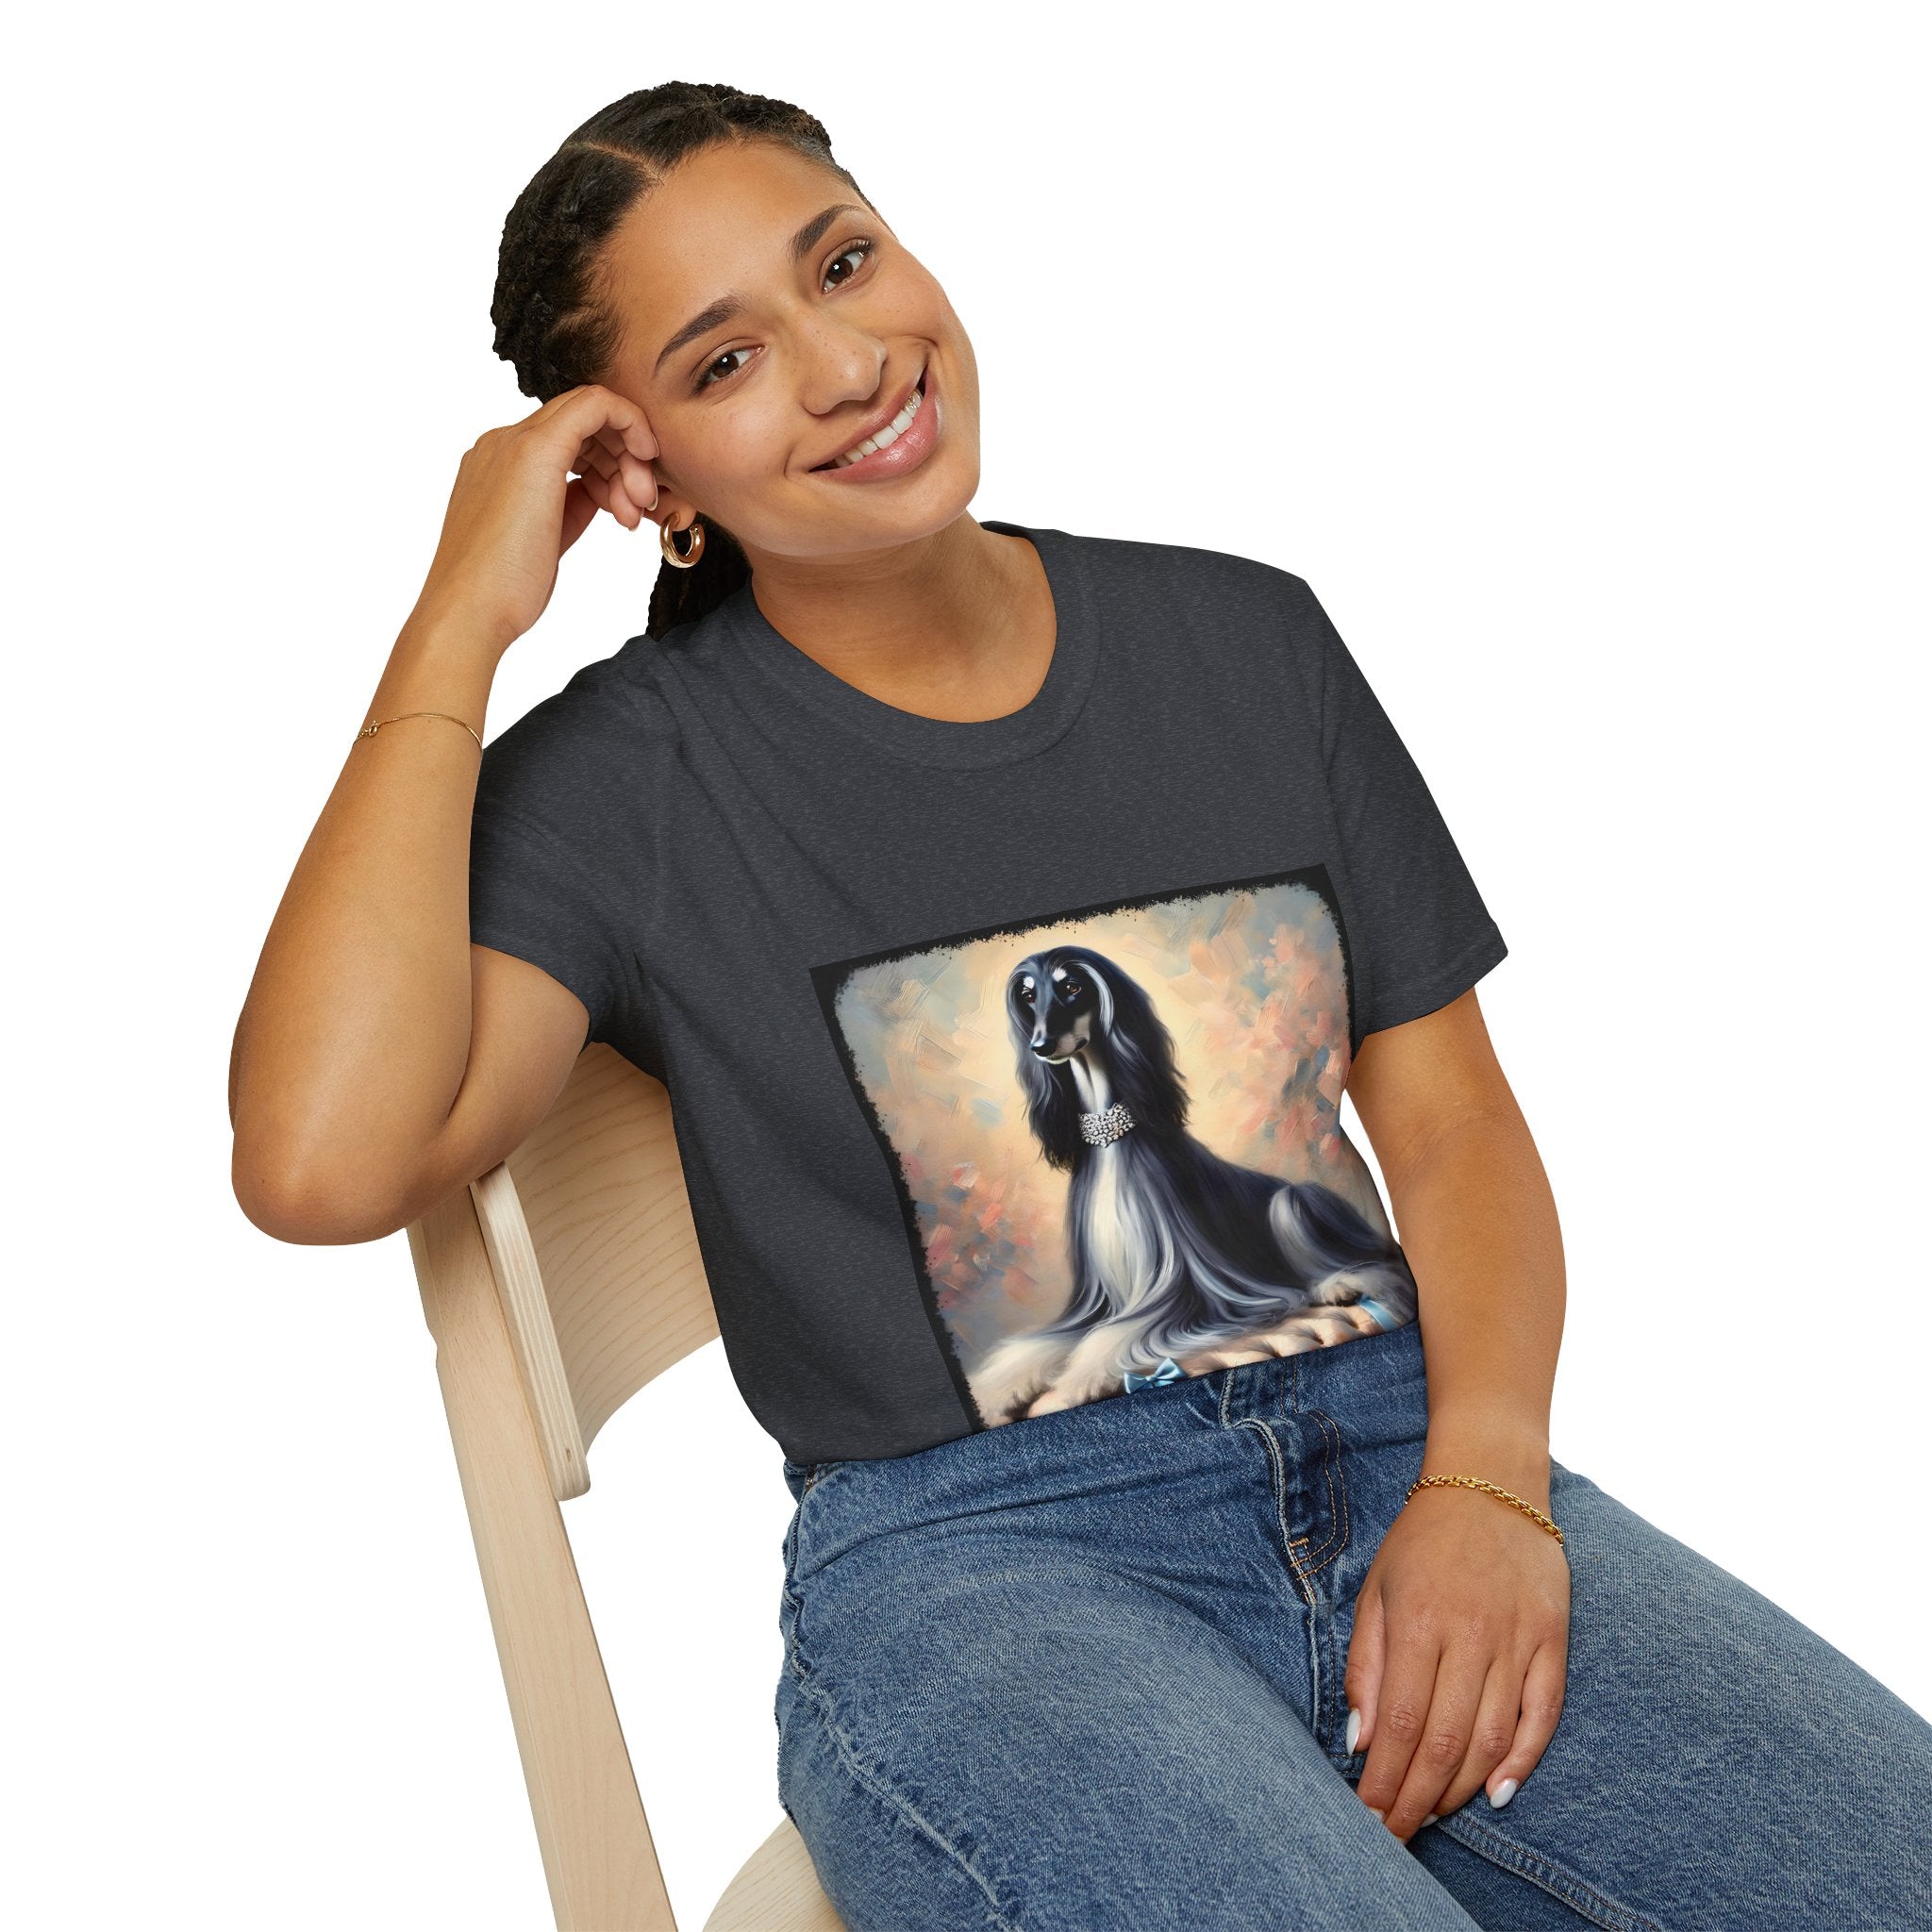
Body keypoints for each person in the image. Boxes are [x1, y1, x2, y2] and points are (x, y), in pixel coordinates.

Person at [228, 80, 1932, 1931]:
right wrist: (456, 621)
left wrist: (1489, 1488)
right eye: (724, 363)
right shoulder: (631, 779)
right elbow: (321, 1159)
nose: (845, 361)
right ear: (650, 482)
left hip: (1403, 1449)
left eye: (845, 263)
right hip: (988, 1569)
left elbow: (1448, 1128)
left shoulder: (1245, 643)